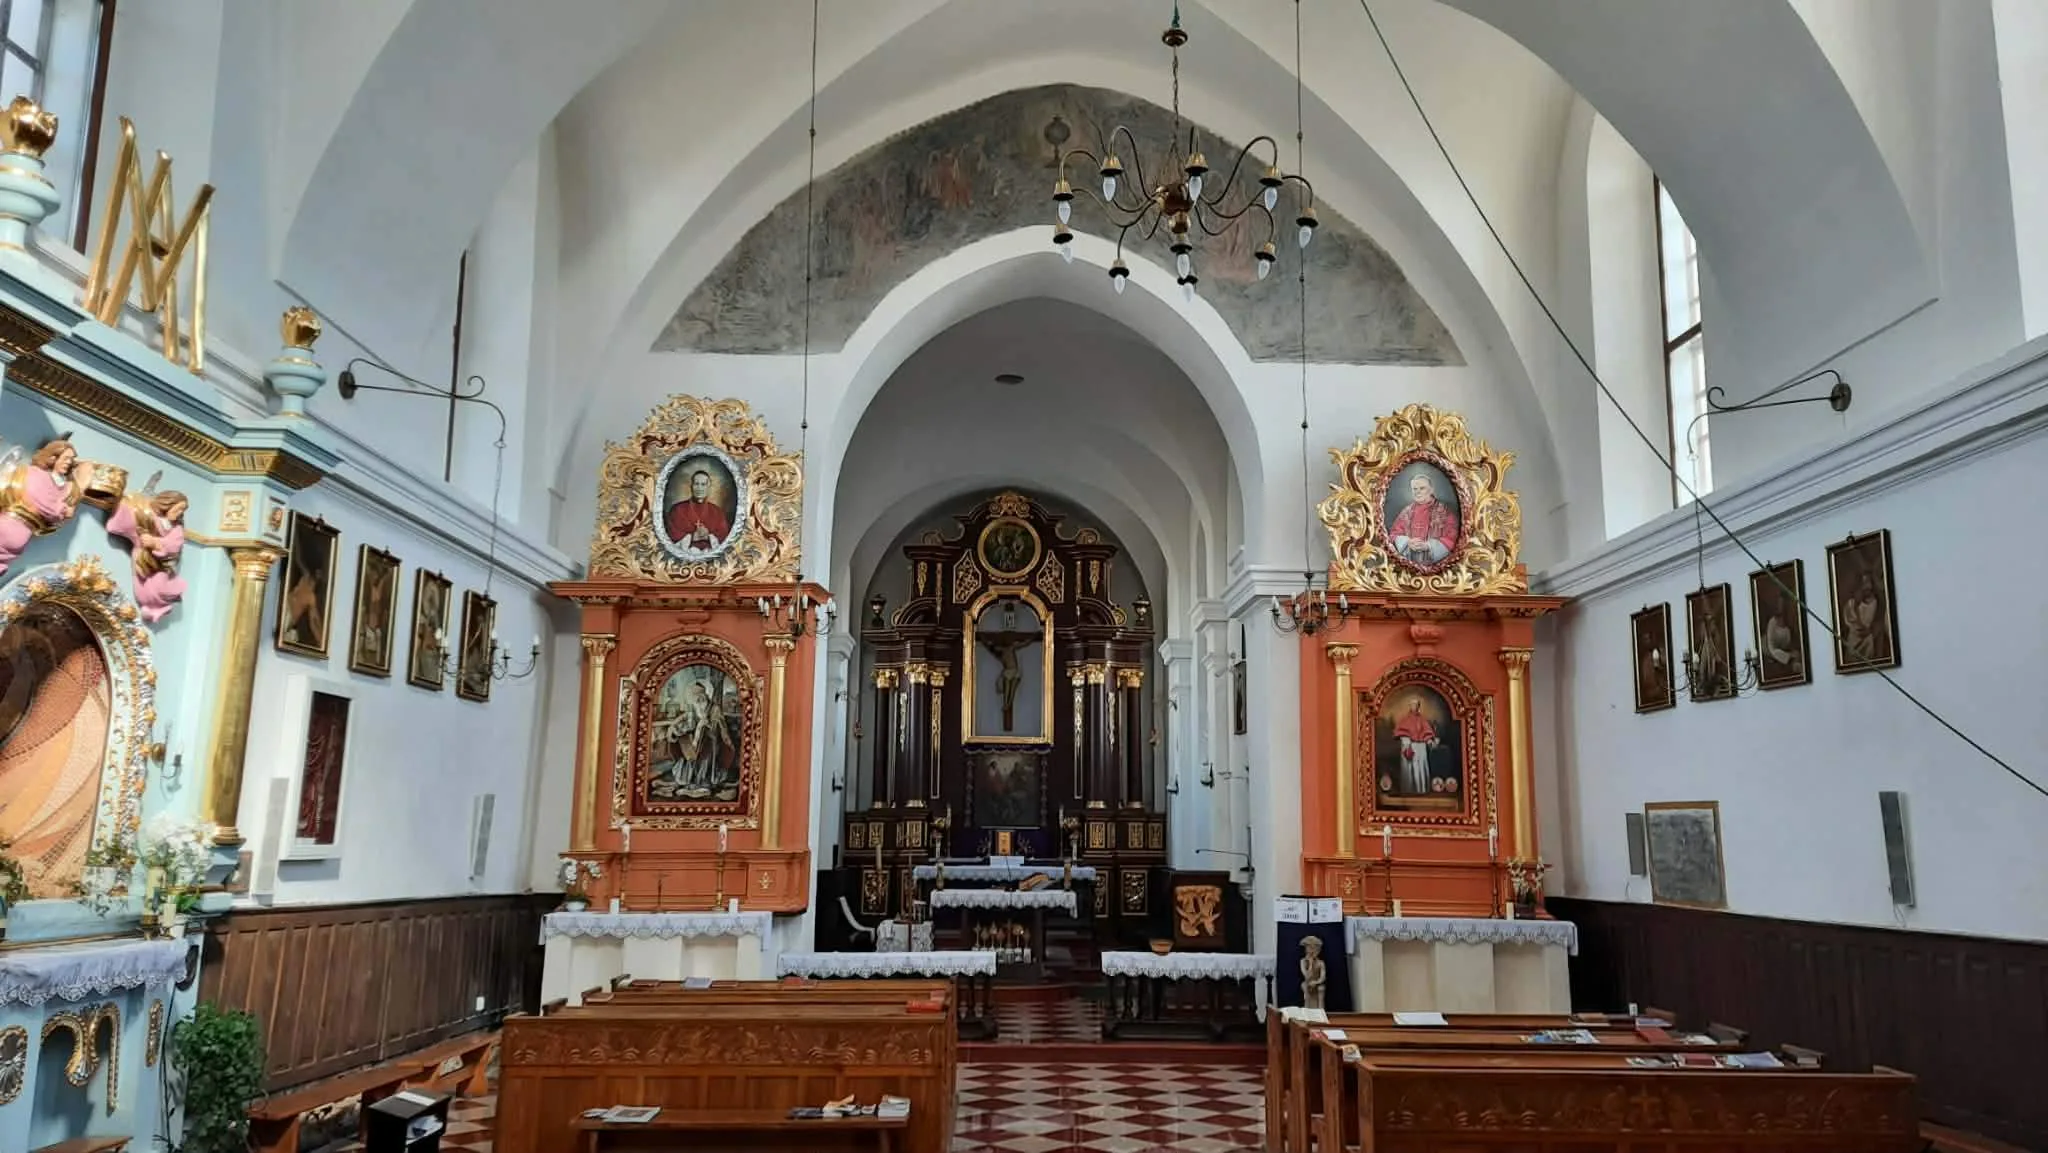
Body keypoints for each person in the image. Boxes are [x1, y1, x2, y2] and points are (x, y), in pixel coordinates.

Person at [0, 436, 93, 578]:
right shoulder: (33, 474)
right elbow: (46, 506)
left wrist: (78, 488)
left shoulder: (63, 488)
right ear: (53, 457)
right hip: (9, 525)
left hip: (20, 535)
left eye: (71, 460)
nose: (68, 463)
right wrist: (61, 507)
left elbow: (63, 513)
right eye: (66, 458)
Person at [107, 490, 189, 623]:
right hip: (143, 560)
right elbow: (129, 522)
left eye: (183, 510)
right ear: (168, 504)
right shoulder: (148, 517)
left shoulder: (176, 528)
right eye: (179, 508)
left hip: (160, 564)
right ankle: (152, 606)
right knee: (146, 589)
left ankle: (157, 607)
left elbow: (175, 544)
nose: (180, 512)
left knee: (160, 586)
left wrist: (155, 542)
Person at [1389, 471, 1457, 566]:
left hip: (1435, 565)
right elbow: (1394, 534)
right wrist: (1407, 542)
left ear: (1431, 490)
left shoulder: (1444, 512)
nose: (1417, 492)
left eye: (1422, 488)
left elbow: (1453, 538)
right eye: (1415, 489)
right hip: (1409, 564)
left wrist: (1429, 545)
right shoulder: (1406, 512)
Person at [666, 469, 732, 549]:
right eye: (696, 484)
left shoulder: (718, 512)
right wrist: (692, 537)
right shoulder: (677, 510)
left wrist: (708, 537)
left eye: (703, 484)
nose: (699, 488)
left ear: (708, 488)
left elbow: (725, 540)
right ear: (691, 486)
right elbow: (670, 538)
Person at [1390, 697, 1438, 794]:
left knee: (1420, 768)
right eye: (1412, 705)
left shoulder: (1423, 720)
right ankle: (1409, 791)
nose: (1414, 707)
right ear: (1410, 706)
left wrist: (1430, 741)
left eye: (1415, 705)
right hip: (1409, 747)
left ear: (1418, 706)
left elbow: (1426, 733)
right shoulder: (1405, 720)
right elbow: (1401, 732)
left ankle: (1421, 790)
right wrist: (1406, 741)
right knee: (1409, 769)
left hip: (1420, 748)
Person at [1841, 571, 1889, 664]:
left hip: (1869, 641)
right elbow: (1851, 620)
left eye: (1868, 582)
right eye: (1864, 582)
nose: (1866, 586)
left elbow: (1879, 625)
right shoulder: (1851, 604)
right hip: (1854, 640)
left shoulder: (1877, 603)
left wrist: (1871, 631)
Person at [1299, 936, 1328, 1011]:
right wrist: (1310, 964)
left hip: (1317, 983)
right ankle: (1307, 1010)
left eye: (1313, 948)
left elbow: (1323, 977)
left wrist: (1316, 982)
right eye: (1308, 948)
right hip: (1307, 983)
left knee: (1321, 988)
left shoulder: (1321, 963)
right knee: (1304, 986)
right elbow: (1307, 976)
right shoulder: (1302, 961)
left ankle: (1320, 1011)